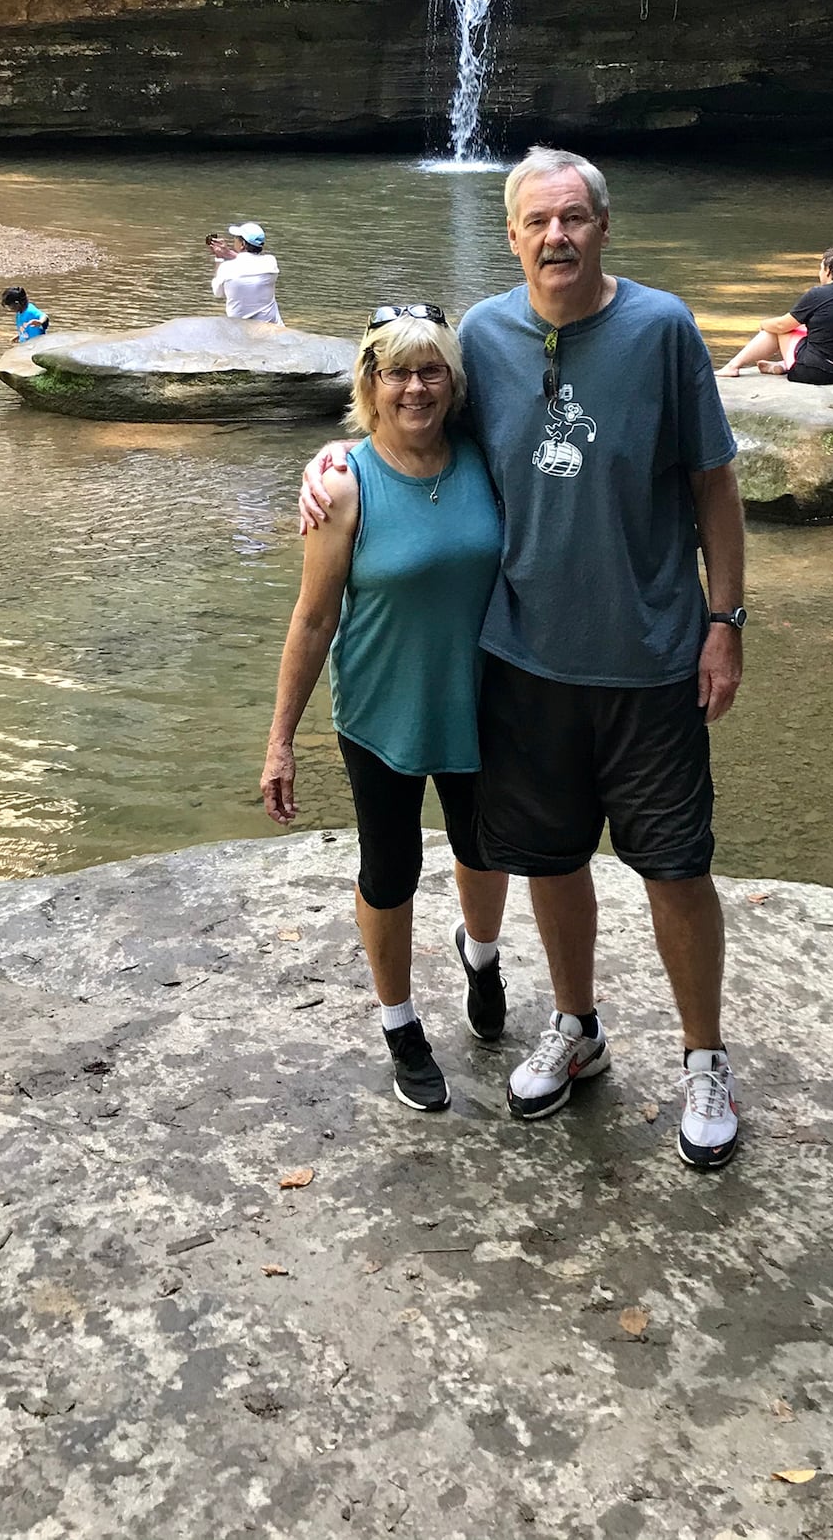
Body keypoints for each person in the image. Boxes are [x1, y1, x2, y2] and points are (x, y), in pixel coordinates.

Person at [302, 148, 748, 1170]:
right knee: (550, 862)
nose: (556, 237)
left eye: (573, 219)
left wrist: (724, 620)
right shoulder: (487, 338)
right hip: (525, 664)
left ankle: (703, 1057)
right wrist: (322, 466)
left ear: (602, 228)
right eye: (536, 222)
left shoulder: (664, 328)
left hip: (650, 658)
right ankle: (578, 1027)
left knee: (676, 868)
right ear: (510, 237)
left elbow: (713, 485)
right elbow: (401, 427)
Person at [262, 304, 508, 1113]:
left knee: (483, 847)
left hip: (480, 700)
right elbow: (312, 617)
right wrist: (280, 741)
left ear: (454, 382)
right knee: (390, 868)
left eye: (431, 369)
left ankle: (480, 954)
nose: (415, 386)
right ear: (369, 384)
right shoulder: (341, 483)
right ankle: (401, 1024)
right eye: (395, 371)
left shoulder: (487, 458)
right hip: (380, 707)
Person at [717, 246, 833, 385]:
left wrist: (764, 323)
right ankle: (780, 365)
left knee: (782, 329)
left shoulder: (818, 294)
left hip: (820, 372)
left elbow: (782, 325)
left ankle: (733, 366)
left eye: (820, 269)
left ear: (828, 270)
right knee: (804, 327)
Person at [210, 220, 282, 323]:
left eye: (236, 238)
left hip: (239, 328)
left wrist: (219, 258)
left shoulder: (227, 268)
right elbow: (250, 262)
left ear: (242, 244)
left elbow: (218, 293)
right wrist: (229, 253)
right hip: (270, 326)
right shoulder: (271, 262)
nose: (234, 240)